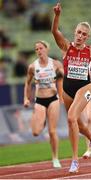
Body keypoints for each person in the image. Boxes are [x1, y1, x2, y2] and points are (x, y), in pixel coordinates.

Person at [51, 3, 91, 173]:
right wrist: (57, 15)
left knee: (71, 118)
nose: (80, 36)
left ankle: (74, 160)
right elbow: (54, 32)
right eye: (79, 32)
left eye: (84, 34)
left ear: (87, 37)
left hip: (84, 87)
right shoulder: (67, 47)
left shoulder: (89, 52)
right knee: (78, 125)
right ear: (75, 32)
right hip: (67, 90)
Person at [23, 40, 63, 168]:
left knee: (52, 131)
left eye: (41, 48)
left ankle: (55, 158)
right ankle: (42, 120)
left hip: (53, 99)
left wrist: (62, 94)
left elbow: (63, 76)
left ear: (47, 49)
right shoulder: (33, 67)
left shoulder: (55, 64)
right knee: (36, 132)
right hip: (39, 100)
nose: (39, 51)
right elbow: (27, 83)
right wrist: (26, 98)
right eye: (36, 49)